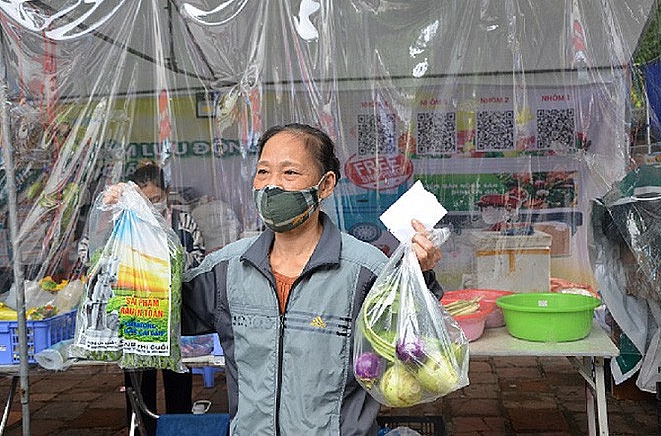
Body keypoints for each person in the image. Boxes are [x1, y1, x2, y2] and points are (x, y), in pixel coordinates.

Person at [181, 123, 444, 435]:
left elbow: (416, 339)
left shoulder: (365, 270)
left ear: (325, 185)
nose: (271, 186)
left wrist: (420, 274)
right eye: (263, 172)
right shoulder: (226, 269)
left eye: (289, 173)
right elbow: (169, 316)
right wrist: (136, 243)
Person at [85, 162, 206, 435]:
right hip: (134, 312)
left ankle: (179, 425)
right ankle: (141, 428)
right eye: (144, 200)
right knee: (139, 375)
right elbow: (90, 256)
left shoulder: (182, 221)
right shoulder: (120, 220)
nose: (151, 206)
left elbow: (199, 256)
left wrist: (167, 258)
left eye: (155, 199)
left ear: (167, 192)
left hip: (175, 311)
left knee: (177, 372)